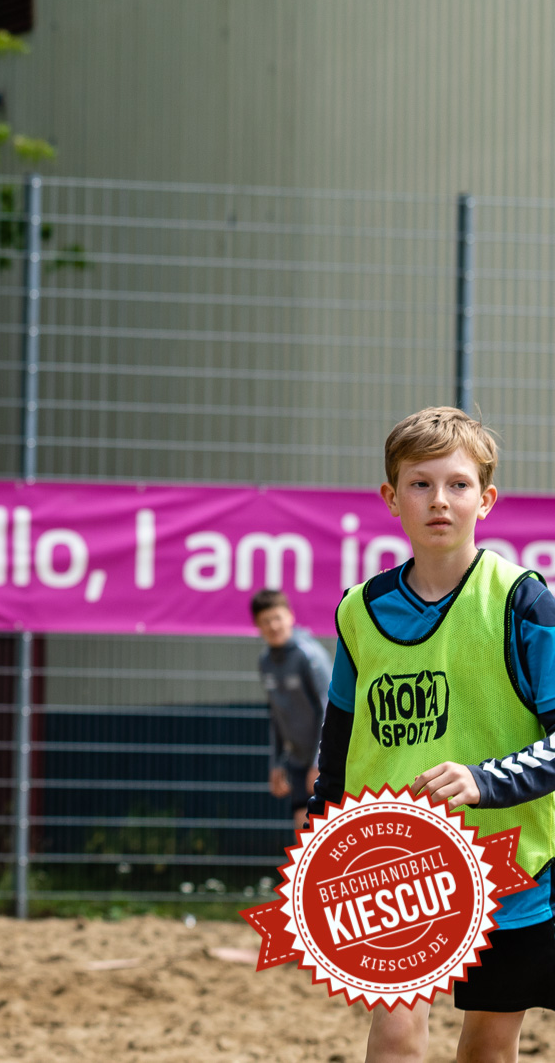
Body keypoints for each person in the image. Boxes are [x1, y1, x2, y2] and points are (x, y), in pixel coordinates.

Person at [307, 407, 555, 1063]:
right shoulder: (358, 610)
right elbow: (342, 731)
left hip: (509, 860)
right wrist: (321, 817)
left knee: (487, 1043)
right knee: (393, 1032)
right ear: (391, 498)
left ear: (487, 498)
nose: (438, 500)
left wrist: (485, 778)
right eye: (419, 484)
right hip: (396, 862)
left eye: (457, 484)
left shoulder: (524, 602)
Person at [250, 588, 331, 829]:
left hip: (325, 760)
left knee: (323, 830)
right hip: (297, 760)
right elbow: (276, 715)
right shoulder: (265, 662)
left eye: (277, 618)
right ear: (258, 625)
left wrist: (320, 762)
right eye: (266, 621)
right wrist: (276, 764)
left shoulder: (309, 655)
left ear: (290, 616)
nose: (273, 626)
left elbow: (329, 710)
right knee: (302, 829)